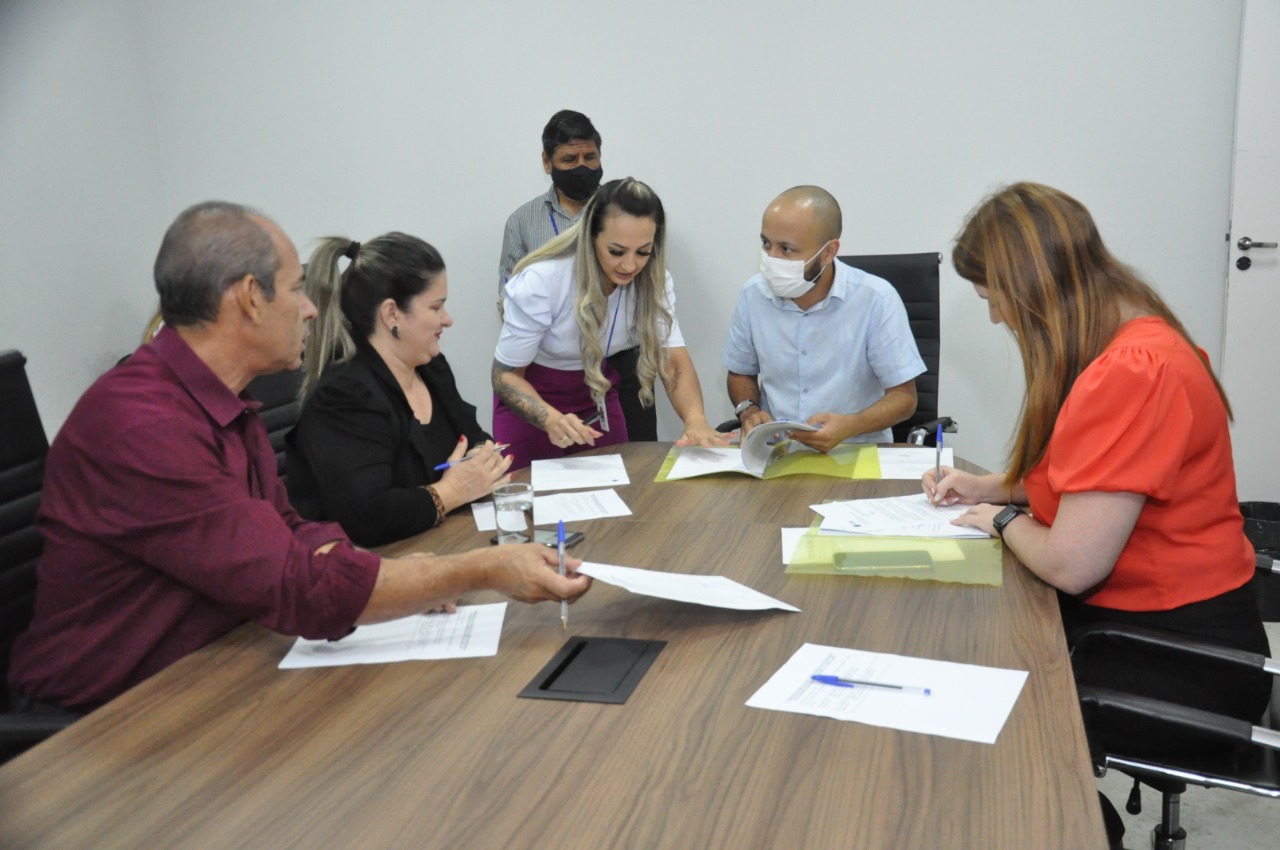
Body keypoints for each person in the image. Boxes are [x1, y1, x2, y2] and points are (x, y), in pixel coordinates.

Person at [8, 202, 590, 713]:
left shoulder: (225, 403)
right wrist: (480, 569)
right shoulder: (144, 423)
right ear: (249, 299)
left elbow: (289, 529)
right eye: (295, 290)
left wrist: (402, 578)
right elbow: (294, 585)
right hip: (103, 718)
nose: (312, 309)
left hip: (215, 671)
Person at [926, 183, 1270, 746]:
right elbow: (1093, 478)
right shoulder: (1141, 336)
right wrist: (989, 487)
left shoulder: (1132, 371)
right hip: (1151, 625)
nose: (994, 317)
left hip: (1179, 654)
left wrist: (1002, 520)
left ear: (1032, 288)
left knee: (985, 712)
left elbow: (1071, 564)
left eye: (994, 299)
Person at [286, 233, 512, 547]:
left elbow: (475, 437)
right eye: (436, 307)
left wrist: (479, 459)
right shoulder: (344, 395)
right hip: (378, 561)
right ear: (391, 314)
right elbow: (366, 516)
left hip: (443, 542)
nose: (447, 320)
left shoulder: (430, 366)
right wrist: (452, 491)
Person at [492, 177, 723, 468]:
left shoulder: (653, 280)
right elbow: (505, 376)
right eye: (616, 251)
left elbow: (673, 362)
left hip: (596, 392)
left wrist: (696, 420)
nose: (630, 265)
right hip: (532, 401)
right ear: (590, 237)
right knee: (532, 492)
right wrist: (550, 419)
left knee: (619, 488)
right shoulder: (543, 280)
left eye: (643, 252)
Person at [720, 186, 925, 451]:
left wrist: (851, 425)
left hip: (854, 449)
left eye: (786, 249)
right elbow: (740, 372)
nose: (772, 259)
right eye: (766, 243)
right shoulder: (753, 295)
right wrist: (749, 411)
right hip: (777, 452)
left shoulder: (876, 299)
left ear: (828, 252)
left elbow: (904, 398)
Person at [498, 110, 658, 443]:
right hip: (549, 366)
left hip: (618, 363)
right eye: (570, 159)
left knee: (632, 459)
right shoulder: (522, 222)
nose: (582, 167)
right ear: (547, 162)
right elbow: (507, 296)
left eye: (590, 157)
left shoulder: (623, 214)